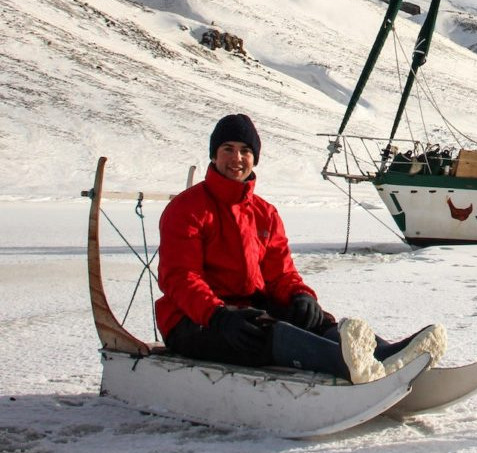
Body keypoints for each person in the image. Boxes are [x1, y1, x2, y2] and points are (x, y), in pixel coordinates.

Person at [155, 114, 445, 383]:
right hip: (194, 321)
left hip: (247, 310)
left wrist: (301, 296)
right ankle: (352, 365)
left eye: (245, 151)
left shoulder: (264, 213)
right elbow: (181, 277)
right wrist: (217, 315)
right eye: (228, 149)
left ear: (254, 158)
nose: (237, 158)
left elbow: (280, 273)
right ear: (214, 155)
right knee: (265, 333)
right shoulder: (188, 209)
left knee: (310, 319)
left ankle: (385, 354)